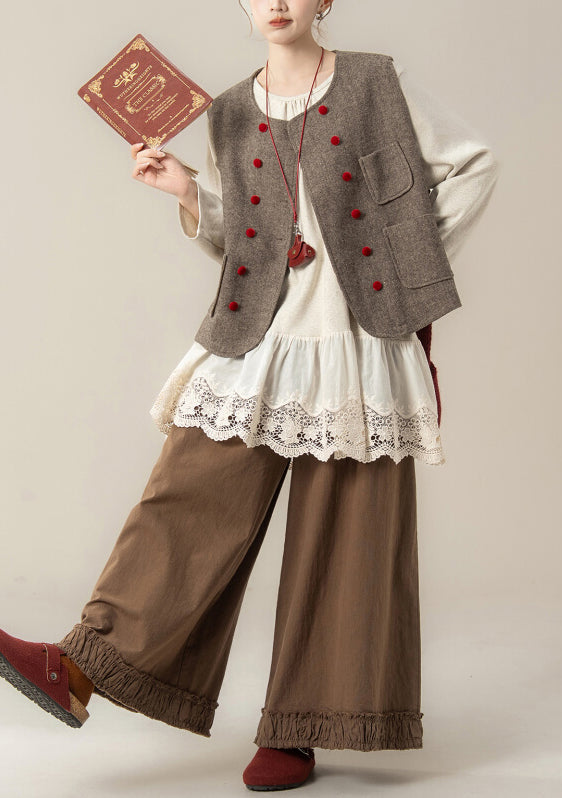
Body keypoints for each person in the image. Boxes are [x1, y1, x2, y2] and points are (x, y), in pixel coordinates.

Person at [0, 0, 500, 791]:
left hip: (360, 334)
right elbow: (245, 240)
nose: (275, 2)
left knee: (347, 537)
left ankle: (304, 728)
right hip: (258, 329)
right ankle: (82, 669)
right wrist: (186, 189)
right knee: (188, 500)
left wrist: (407, 264)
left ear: (324, 1)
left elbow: (474, 164)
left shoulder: (376, 81)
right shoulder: (230, 111)